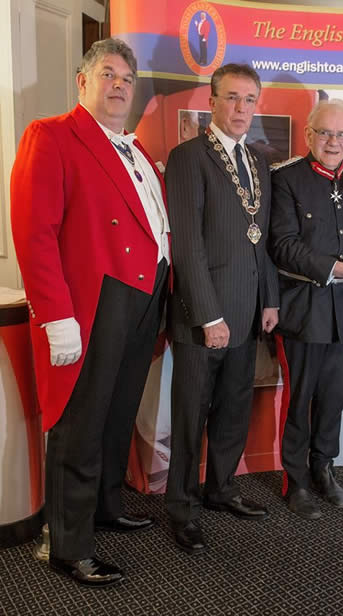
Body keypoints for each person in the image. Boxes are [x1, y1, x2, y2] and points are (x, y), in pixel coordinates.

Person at [10, 38, 170, 587]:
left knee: (118, 412)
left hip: (142, 298)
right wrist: (56, 316)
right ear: (83, 82)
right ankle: (68, 544)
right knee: (79, 424)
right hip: (93, 301)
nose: (120, 84)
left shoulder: (138, 149)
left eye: (128, 77)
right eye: (108, 73)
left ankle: (104, 507)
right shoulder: (51, 135)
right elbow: (34, 234)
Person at [164, 64, 279, 554]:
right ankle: (182, 508)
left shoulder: (257, 162)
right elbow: (187, 245)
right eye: (231, 98)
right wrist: (209, 317)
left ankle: (221, 489)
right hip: (202, 317)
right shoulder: (188, 157)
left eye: (248, 100)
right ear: (212, 101)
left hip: (248, 310)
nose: (240, 109)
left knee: (233, 409)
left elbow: (262, 239)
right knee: (192, 413)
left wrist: (269, 297)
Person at [269, 99, 343, 520]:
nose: (334, 142)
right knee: (300, 400)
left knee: (333, 397)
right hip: (302, 309)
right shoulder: (286, 179)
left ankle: (323, 467)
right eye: (325, 133)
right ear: (308, 135)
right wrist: (338, 268)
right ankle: (295, 480)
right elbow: (282, 245)